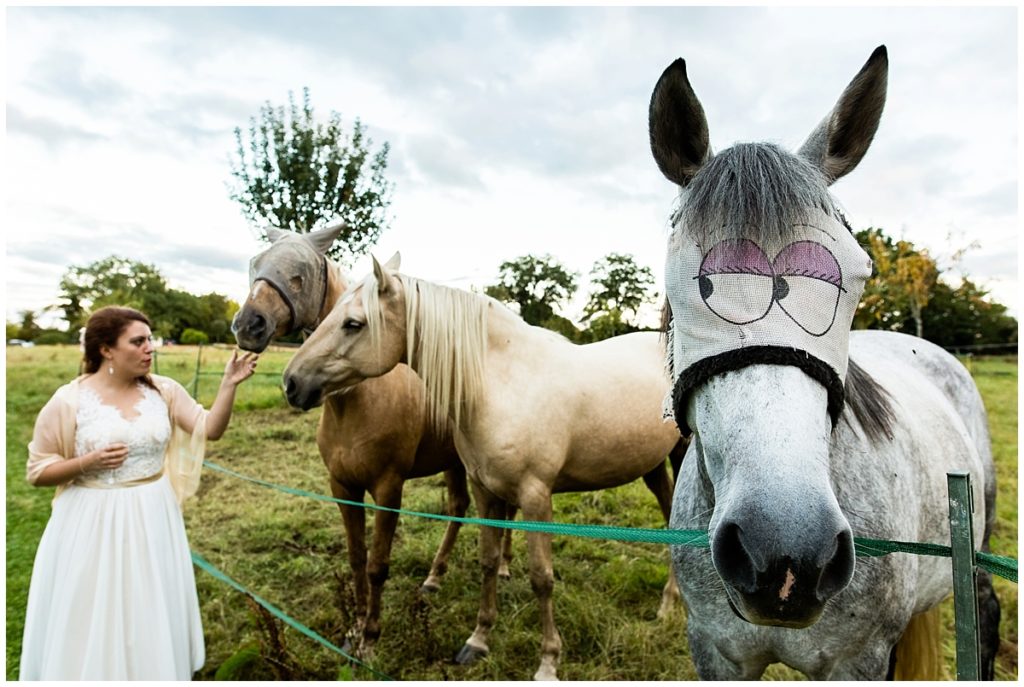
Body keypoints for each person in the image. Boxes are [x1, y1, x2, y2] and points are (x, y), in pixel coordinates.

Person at [19, 306, 259, 680]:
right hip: (90, 520)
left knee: (147, 602)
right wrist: (88, 462)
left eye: (150, 339)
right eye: (138, 341)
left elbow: (208, 428)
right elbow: (37, 472)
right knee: (92, 607)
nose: (151, 348)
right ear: (106, 349)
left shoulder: (165, 391)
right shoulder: (68, 401)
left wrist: (228, 384)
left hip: (153, 514)